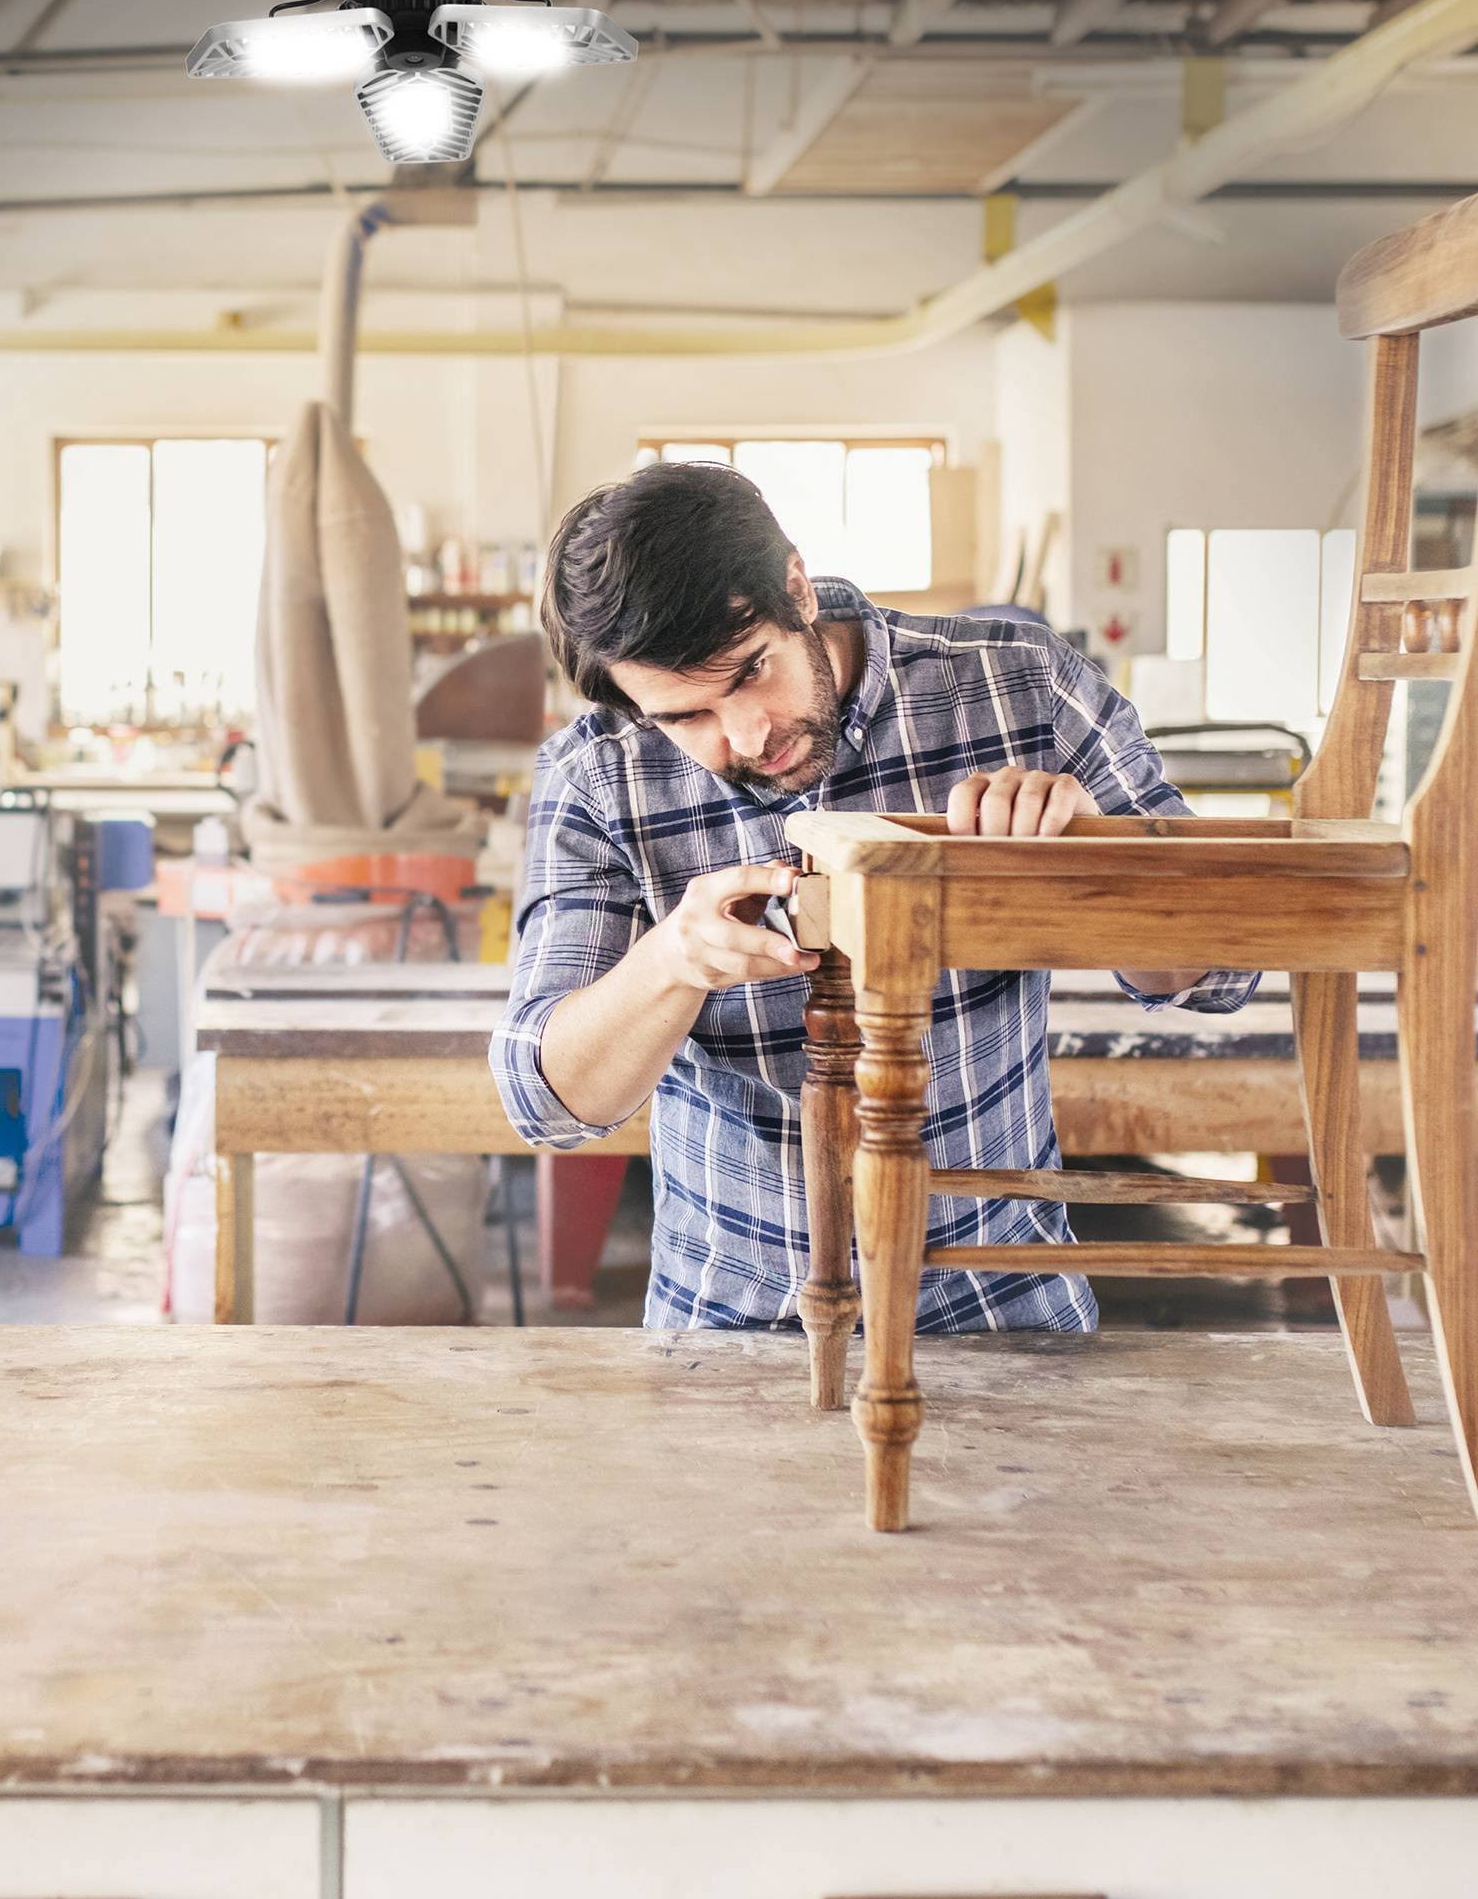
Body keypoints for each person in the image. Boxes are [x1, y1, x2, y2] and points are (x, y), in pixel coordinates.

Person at [490, 460, 1257, 1333]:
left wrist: (1097, 866)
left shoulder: (1019, 691)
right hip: (732, 1326)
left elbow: (1218, 968)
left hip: (1002, 1306)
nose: (746, 737)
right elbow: (547, 1103)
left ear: (797, 588)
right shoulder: (598, 774)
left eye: (748, 674)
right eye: (685, 717)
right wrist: (672, 963)